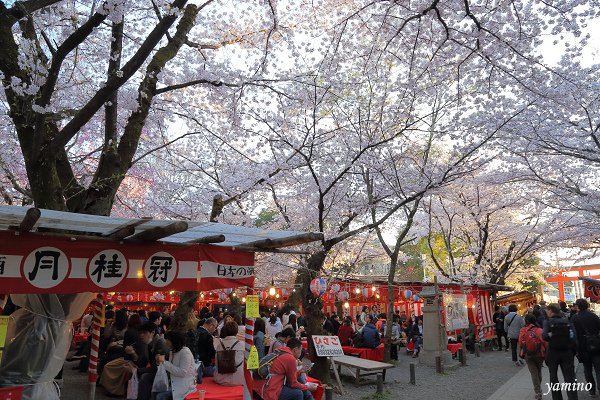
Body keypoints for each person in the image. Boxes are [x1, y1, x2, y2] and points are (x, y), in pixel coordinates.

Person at [543, 303, 578, 400]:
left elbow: (544, 336)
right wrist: (571, 349)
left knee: (553, 377)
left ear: (551, 311)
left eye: (547, 310)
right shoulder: (567, 321)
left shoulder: (548, 322)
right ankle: (573, 397)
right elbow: (574, 337)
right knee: (570, 378)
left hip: (552, 352)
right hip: (566, 352)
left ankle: (557, 398)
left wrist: (552, 335)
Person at [154, 330, 197, 400]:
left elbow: (182, 372)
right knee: (156, 391)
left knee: (160, 396)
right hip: (174, 383)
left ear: (174, 341)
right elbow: (171, 367)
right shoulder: (172, 351)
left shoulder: (185, 352)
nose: (166, 341)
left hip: (184, 386)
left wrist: (164, 362)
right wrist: (160, 362)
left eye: (167, 339)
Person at [571, 298, 600, 397]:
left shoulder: (574, 318)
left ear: (578, 306)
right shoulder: (594, 316)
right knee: (598, 370)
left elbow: (574, 335)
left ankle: (592, 391)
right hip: (596, 347)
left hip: (583, 348)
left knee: (587, 370)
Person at [136, 323, 168, 400]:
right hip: (156, 371)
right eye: (140, 333)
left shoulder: (160, 343)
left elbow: (157, 367)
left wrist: (137, 370)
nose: (141, 335)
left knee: (145, 377)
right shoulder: (148, 343)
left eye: (144, 333)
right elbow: (143, 360)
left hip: (165, 373)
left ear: (152, 333)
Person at [519, 314, 547, 400]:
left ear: (526, 321)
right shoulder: (539, 330)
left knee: (533, 373)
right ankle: (538, 389)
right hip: (539, 354)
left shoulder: (523, 330)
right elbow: (545, 342)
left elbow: (520, 342)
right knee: (539, 371)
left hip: (528, 354)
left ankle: (538, 392)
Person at [213, 321, 245, 386]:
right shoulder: (242, 345)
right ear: (236, 331)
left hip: (220, 379)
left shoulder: (219, 345)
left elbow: (217, 363)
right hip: (239, 379)